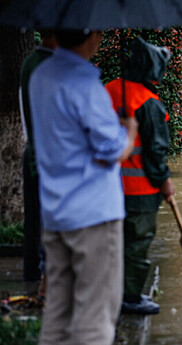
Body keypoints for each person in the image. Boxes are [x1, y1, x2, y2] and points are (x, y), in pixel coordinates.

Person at [29, 29, 138, 345]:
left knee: (58, 315)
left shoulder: (41, 75)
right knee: (95, 317)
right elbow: (112, 151)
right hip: (93, 216)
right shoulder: (84, 84)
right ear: (91, 35)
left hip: (55, 212)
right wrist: (128, 132)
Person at [105, 37, 175, 315]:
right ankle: (131, 297)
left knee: (112, 242)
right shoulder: (149, 103)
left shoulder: (108, 89)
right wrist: (165, 181)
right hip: (139, 189)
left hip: (106, 187)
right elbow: (156, 151)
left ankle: (110, 292)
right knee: (136, 243)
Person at [19, 30, 58, 293]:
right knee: (50, 218)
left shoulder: (29, 62)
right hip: (49, 155)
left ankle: (31, 269)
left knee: (33, 217)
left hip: (31, 149)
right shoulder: (51, 67)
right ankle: (46, 276)